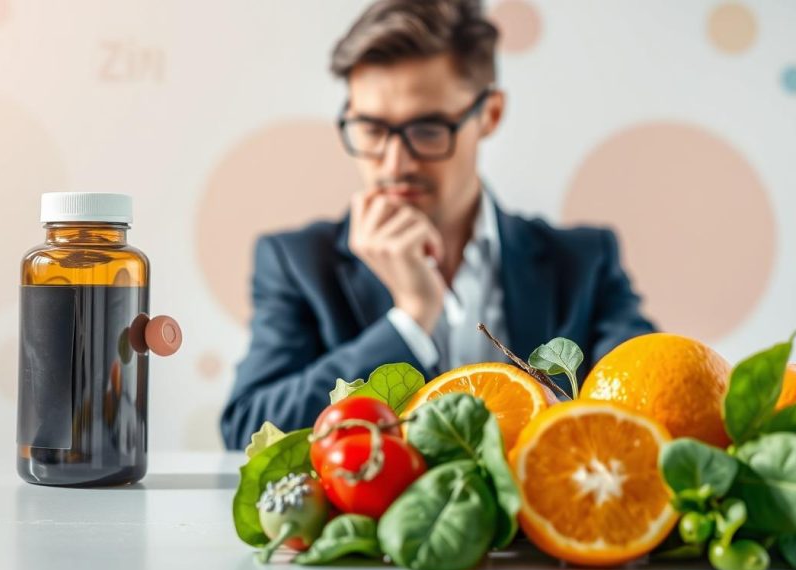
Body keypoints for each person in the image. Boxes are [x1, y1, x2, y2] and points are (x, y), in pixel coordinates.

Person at [220, 0, 655, 450]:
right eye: (371, 129)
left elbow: (654, 400)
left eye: (427, 129)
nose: (395, 164)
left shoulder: (583, 262)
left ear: (489, 114)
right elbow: (249, 428)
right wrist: (410, 319)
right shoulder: (297, 262)